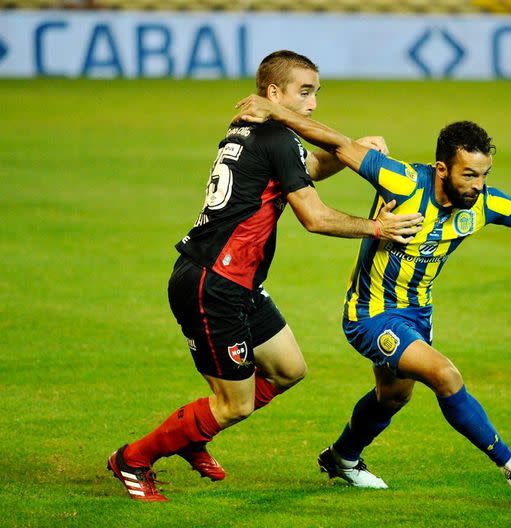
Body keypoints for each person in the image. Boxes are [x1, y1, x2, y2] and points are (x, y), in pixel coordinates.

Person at [233, 95, 511, 507]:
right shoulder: (402, 180)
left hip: (417, 314)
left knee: (393, 397)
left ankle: (342, 457)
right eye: (469, 175)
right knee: (445, 375)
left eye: (484, 175)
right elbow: (339, 144)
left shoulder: (484, 204)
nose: (478, 185)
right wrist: (277, 112)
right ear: (443, 168)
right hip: (371, 314)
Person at [106, 50, 423, 502]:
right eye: (304, 92)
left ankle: (193, 436)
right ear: (274, 93)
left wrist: (350, 150)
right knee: (232, 404)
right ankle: (132, 460)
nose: (312, 104)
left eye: (316, 93)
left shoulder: (259, 132)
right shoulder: (275, 136)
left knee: (287, 370)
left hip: (239, 282)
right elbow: (313, 217)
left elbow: (305, 170)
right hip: (212, 283)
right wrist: (378, 227)